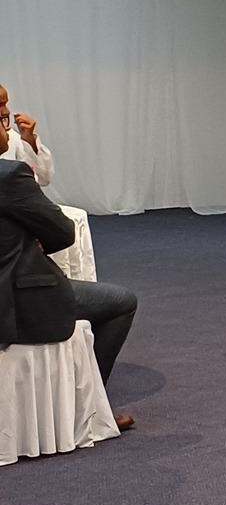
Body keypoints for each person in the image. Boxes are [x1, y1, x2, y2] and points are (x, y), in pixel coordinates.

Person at [0, 122, 139, 430]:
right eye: (1, 121)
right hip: (14, 299)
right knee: (122, 302)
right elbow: (63, 232)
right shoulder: (9, 176)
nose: (7, 130)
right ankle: (91, 407)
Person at [0, 82, 53, 187]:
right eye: (0, 105)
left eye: (5, 104)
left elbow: (42, 178)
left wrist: (29, 140)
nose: (7, 111)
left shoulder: (10, 137)